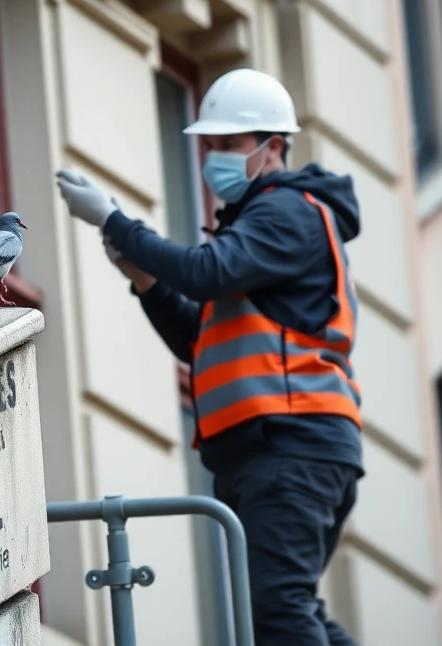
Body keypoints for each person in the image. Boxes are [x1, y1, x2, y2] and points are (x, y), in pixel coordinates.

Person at [55, 68, 363, 646]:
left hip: (290, 444)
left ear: (273, 148)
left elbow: (204, 273)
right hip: (272, 448)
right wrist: (145, 278)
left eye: (229, 145)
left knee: (278, 609)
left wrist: (115, 220)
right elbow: (200, 343)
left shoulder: (287, 213)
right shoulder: (260, 228)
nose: (214, 158)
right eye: (210, 146)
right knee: (289, 608)